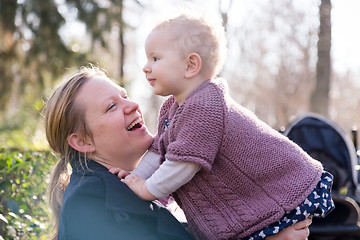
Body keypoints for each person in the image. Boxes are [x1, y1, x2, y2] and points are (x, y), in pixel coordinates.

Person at [116, 7, 335, 240]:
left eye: (155, 58)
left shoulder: (205, 106)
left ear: (191, 65)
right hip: (255, 202)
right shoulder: (173, 108)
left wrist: (145, 189)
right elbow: (159, 151)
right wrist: (135, 177)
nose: (146, 66)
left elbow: (183, 164)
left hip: (281, 191)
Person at [45, 66, 312, 240]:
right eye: (111, 107)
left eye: (124, 96)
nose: (133, 105)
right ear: (81, 141)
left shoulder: (127, 185)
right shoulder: (91, 198)